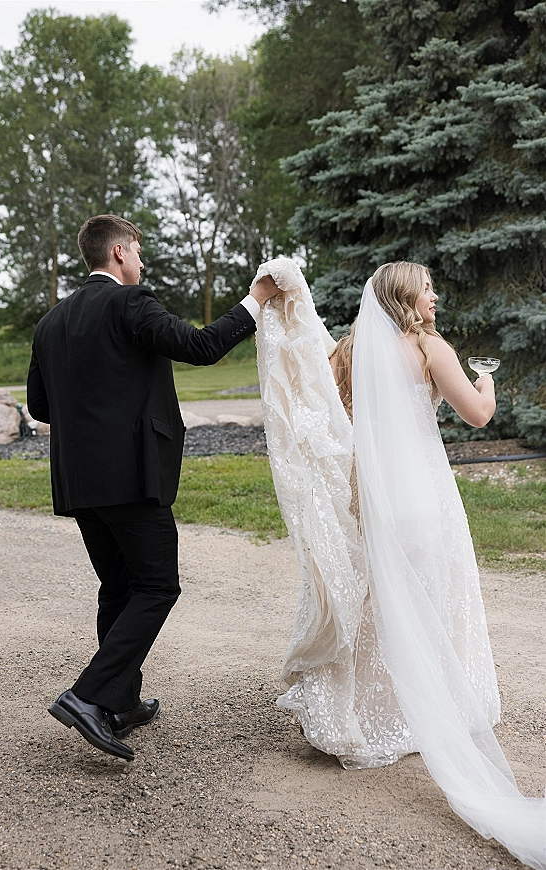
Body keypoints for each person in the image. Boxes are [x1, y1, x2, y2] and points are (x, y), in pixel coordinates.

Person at [251, 257, 545, 870]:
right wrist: (487, 383)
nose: (435, 297)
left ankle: (371, 715)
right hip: (422, 497)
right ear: (406, 298)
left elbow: (328, 418)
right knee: (432, 597)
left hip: (370, 493)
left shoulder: (346, 353)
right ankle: (425, 710)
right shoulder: (430, 348)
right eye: (427, 288)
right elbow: (478, 415)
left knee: (378, 603)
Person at [27, 214, 279, 762]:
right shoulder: (131, 303)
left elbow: (41, 408)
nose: (141, 261)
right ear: (118, 252)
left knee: (118, 588)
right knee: (158, 586)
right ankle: (89, 697)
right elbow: (204, 345)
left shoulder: (50, 323)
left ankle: (121, 701)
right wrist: (255, 299)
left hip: (78, 483)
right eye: (138, 251)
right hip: (133, 477)